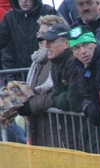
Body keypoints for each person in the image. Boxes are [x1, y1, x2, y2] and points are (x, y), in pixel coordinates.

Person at [18, 14, 68, 147]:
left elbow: (55, 93)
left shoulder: (56, 61)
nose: (41, 38)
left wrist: (31, 105)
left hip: (59, 128)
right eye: (39, 33)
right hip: (40, 126)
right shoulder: (37, 61)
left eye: (45, 34)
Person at [70, 27, 100, 128]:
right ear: (73, 52)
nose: (83, 51)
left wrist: (96, 111)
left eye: (86, 44)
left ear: (95, 43)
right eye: (77, 48)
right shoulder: (80, 66)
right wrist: (89, 109)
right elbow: (84, 96)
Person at [0, 0, 58, 76]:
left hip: (44, 70)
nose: (24, 1)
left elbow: (62, 36)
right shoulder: (10, 17)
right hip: (16, 72)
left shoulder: (48, 12)